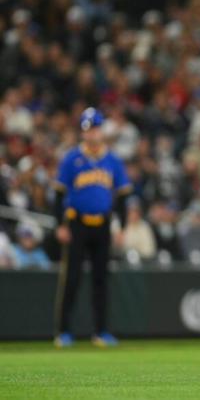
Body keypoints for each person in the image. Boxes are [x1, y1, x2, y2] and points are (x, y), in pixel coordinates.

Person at [53, 107, 132, 348]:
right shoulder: (71, 158)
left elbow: (122, 197)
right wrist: (60, 225)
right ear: (83, 133)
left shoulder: (112, 160)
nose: (91, 135)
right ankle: (64, 331)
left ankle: (101, 331)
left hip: (103, 225)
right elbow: (58, 195)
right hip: (77, 223)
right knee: (72, 278)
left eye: (95, 129)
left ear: (101, 131)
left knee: (101, 280)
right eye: (87, 130)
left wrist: (121, 226)